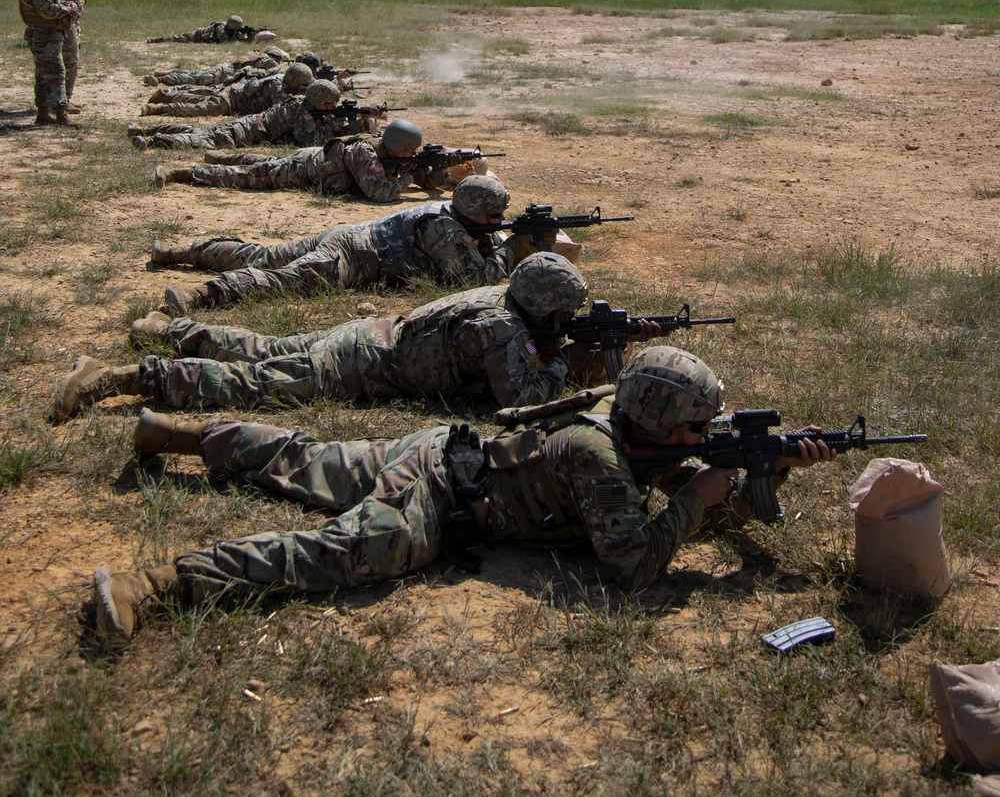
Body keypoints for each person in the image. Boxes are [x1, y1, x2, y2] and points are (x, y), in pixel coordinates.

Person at [87, 343, 835, 644]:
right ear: (665, 421)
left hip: (442, 447)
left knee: (301, 456)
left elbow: (684, 493)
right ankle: (157, 583)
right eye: (700, 425)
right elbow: (633, 565)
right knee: (337, 553)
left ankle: (173, 432)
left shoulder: (628, 431)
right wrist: (702, 498)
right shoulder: (599, 454)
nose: (707, 435)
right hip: (441, 502)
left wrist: (765, 473)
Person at [52, 251, 601, 417]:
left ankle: (170, 328)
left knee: (266, 347)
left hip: (369, 334)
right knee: (255, 382)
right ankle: (116, 378)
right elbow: (520, 403)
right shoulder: (503, 330)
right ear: (547, 309)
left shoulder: (501, 297)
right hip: (360, 366)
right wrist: (565, 364)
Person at [147, 174, 526, 316]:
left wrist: (500, 238)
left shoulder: (452, 214)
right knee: (282, 278)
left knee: (260, 254)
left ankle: (182, 252)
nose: (498, 223)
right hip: (352, 257)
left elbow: (484, 242)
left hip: (346, 235)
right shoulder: (444, 231)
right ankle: (197, 295)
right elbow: (474, 280)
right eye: (494, 216)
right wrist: (515, 246)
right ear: (474, 212)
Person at [152, 118, 487, 201]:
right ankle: (181, 172)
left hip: (312, 160)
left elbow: (423, 178)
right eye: (411, 153)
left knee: (257, 160)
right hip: (301, 171)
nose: (413, 157)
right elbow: (381, 193)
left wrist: (436, 168)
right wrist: (408, 178)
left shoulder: (392, 153)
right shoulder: (365, 152)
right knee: (246, 175)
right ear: (400, 147)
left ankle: (215, 155)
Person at [129, 78, 344, 152]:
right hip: (244, 133)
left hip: (249, 125)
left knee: (200, 130)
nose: (332, 107)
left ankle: (146, 129)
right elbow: (306, 141)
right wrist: (333, 125)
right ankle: (153, 140)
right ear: (318, 101)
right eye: (330, 104)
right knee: (201, 139)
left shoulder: (302, 105)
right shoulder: (301, 112)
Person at [17, 0, 79, 125]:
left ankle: (43, 114)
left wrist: (67, 5)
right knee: (55, 72)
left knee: (42, 75)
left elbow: (53, 3)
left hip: (46, 36)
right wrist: (68, 11)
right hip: (44, 36)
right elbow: (47, 10)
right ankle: (61, 115)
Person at [138, 61, 313, 119]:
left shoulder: (281, 78)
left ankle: (169, 95)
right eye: (304, 85)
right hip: (232, 101)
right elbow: (281, 112)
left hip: (234, 90)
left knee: (201, 99)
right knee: (202, 108)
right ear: (297, 83)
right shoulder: (278, 91)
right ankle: (158, 108)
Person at [52, 0, 96, 112]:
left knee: (70, 62)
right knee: (69, 62)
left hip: (70, 21)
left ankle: (64, 98)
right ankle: (61, 101)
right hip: (63, 23)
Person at [142, 48, 290, 91]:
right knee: (196, 79)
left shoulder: (257, 54)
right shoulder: (266, 60)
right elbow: (278, 71)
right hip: (224, 73)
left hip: (225, 68)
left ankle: (164, 74)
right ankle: (161, 79)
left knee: (195, 75)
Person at [147, 15, 272, 45]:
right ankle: (155, 39)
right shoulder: (220, 28)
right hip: (198, 35)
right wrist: (238, 38)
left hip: (206, 40)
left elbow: (240, 40)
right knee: (177, 38)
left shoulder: (231, 29)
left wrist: (250, 35)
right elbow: (225, 42)